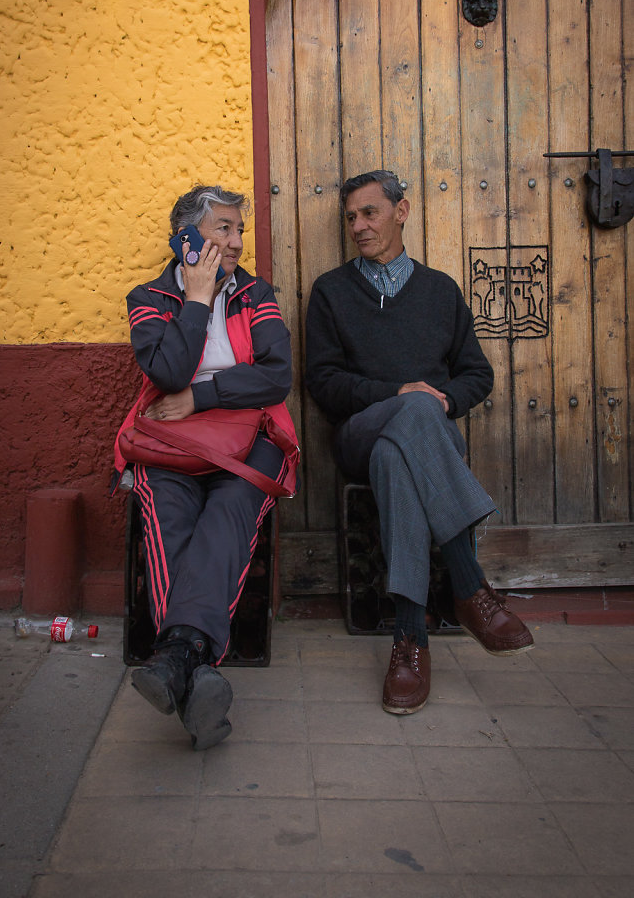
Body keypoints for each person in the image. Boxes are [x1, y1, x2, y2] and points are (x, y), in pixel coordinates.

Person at [305, 170, 533, 716]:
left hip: (414, 441)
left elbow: (477, 375)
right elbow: (325, 384)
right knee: (406, 415)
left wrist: (440, 403)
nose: (359, 226)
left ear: (401, 211)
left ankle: (410, 641)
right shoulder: (332, 292)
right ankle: (472, 587)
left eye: (370, 213)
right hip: (359, 431)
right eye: (351, 217)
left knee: (399, 454)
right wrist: (400, 394)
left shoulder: (440, 291)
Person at [114, 185, 299, 749]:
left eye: (239, 230)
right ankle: (196, 667)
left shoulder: (254, 293)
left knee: (230, 509)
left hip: (252, 433)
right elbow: (168, 371)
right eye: (223, 229)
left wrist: (202, 397)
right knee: (169, 514)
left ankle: (174, 659)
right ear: (188, 237)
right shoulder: (148, 297)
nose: (237, 242)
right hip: (169, 440)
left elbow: (276, 376)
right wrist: (196, 299)